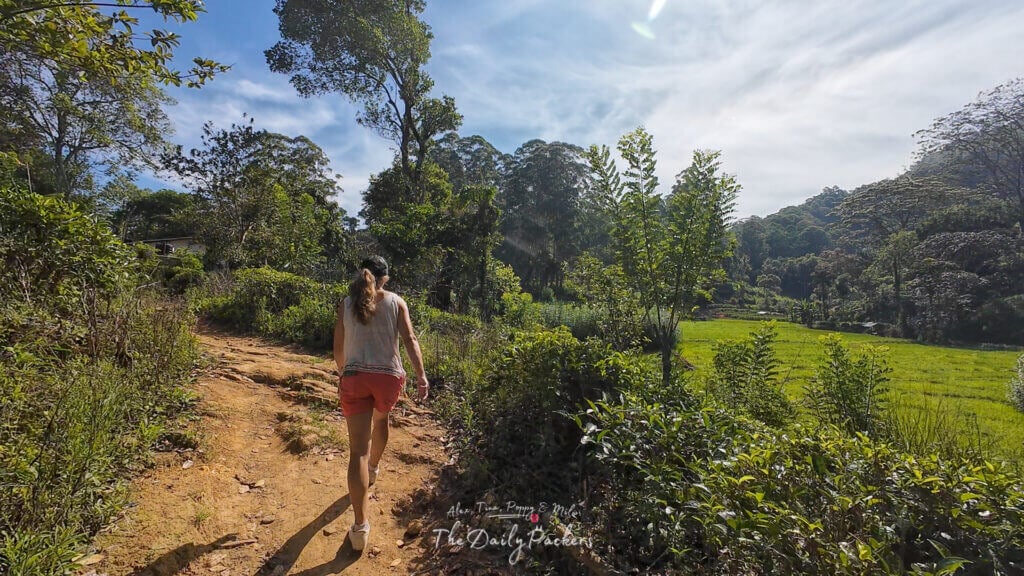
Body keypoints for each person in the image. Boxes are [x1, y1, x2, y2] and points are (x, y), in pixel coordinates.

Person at [333, 255, 429, 551]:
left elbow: (338, 344)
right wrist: (421, 376)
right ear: (385, 278)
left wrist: (343, 373)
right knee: (381, 420)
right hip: (387, 377)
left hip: (355, 376)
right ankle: (374, 469)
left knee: (356, 452)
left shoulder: (346, 303)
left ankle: (360, 527)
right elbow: (410, 339)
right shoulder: (396, 302)